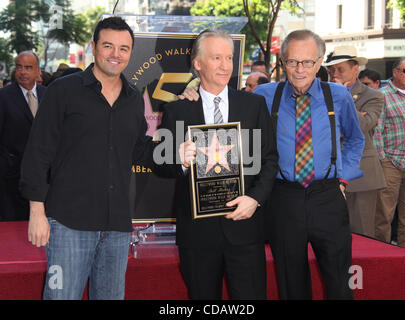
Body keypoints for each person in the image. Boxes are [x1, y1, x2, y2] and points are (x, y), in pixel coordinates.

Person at [20, 17, 153, 300]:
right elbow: (38, 152)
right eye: (108, 46)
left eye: (124, 48)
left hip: (116, 226)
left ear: (131, 53)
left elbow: (140, 149)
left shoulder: (133, 98)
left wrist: (180, 156)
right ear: (93, 47)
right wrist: (37, 212)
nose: (115, 54)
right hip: (68, 223)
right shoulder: (64, 91)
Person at [154, 29, 278, 300]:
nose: (225, 66)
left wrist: (255, 199)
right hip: (198, 235)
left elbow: (269, 160)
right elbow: (162, 166)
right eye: (216, 58)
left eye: (229, 58)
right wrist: (180, 160)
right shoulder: (177, 110)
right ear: (197, 64)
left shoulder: (254, 105)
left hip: (245, 228)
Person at [254, 29, 365, 299]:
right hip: (283, 198)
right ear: (283, 63)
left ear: (319, 62)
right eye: (293, 61)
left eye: (307, 62)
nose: (300, 69)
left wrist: (343, 177)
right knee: (291, 282)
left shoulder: (337, 95)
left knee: (341, 278)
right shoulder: (263, 95)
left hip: (327, 196)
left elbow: (355, 139)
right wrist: (193, 91)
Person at [324, 45, 386, 238]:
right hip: (327, 173)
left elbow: (363, 126)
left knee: (361, 232)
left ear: (355, 69)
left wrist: (344, 99)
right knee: (329, 232)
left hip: (361, 175)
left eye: (340, 69)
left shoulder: (374, 95)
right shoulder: (321, 93)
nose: (335, 74)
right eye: (332, 70)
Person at [0, 51, 47, 221]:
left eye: (28, 68)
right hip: (11, 178)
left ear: (37, 71)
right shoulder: (4, 97)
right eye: (19, 67)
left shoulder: (48, 95)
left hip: (43, 177)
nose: (23, 72)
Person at [374, 57, 405, 250]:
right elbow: (376, 131)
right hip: (391, 163)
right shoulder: (382, 95)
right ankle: (381, 255)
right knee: (383, 215)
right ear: (395, 72)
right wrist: (383, 160)